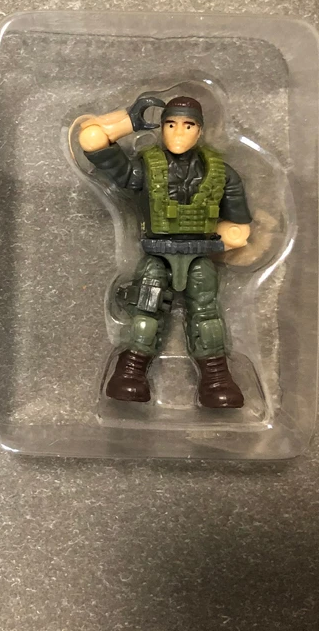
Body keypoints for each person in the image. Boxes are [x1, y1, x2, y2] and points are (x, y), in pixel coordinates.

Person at [78, 94, 252, 408]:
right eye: (170, 124)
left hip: (200, 255)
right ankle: (130, 373)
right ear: (161, 128)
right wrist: (129, 121)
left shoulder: (221, 174)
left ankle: (216, 378)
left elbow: (239, 224)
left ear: (200, 130)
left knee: (207, 317)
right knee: (146, 313)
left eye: (188, 125)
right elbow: (91, 140)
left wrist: (231, 237)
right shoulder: (146, 169)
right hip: (157, 255)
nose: (178, 132)